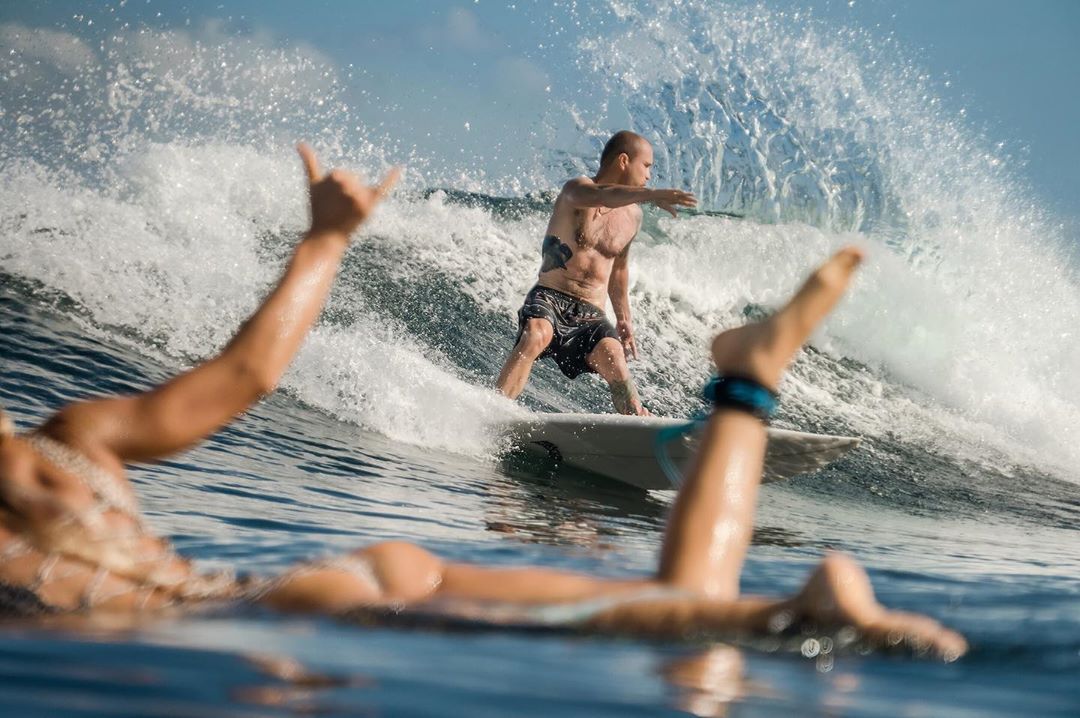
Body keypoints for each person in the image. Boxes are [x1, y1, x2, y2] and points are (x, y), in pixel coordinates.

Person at [0, 145, 966, 661]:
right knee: (673, 612)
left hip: (269, 613)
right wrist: (326, 242)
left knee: (679, 634)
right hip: (349, 576)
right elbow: (247, 380)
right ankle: (753, 403)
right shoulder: (70, 441)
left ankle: (751, 403)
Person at [495, 131, 698, 415]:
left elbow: (619, 270)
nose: (650, 175)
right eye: (647, 166)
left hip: (590, 312)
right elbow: (602, 194)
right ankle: (496, 409)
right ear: (624, 160)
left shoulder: (634, 217)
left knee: (616, 360)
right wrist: (652, 195)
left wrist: (624, 319)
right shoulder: (577, 189)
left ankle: (638, 425)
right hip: (551, 296)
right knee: (535, 334)